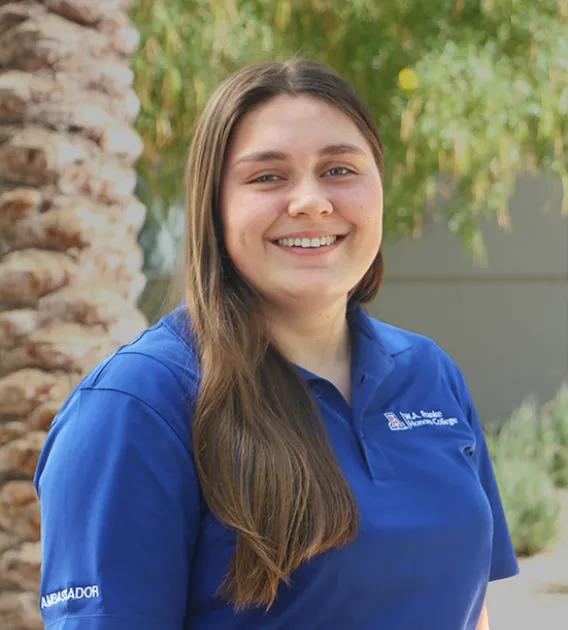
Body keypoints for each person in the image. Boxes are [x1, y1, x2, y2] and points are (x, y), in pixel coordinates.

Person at [35, 58, 518, 630]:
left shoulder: (428, 373)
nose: (311, 201)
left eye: (339, 169)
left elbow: (471, 609)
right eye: (267, 176)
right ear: (213, 207)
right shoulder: (136, 405)